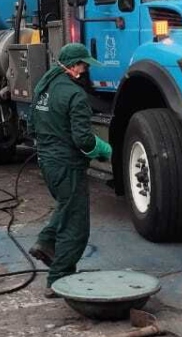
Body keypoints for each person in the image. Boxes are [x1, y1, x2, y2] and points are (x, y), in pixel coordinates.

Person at [27, 43, 112, 297]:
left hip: (47, 163)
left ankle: (45, 241)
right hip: (67, 165)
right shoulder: (75, 95)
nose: (85, 70)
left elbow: (31, 126)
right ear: (73, 66)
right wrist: (104, 149)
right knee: (76, 226)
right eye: (83, 65)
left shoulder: (44, 87)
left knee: (66, 206)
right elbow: (84, 140)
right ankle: (58, 278)